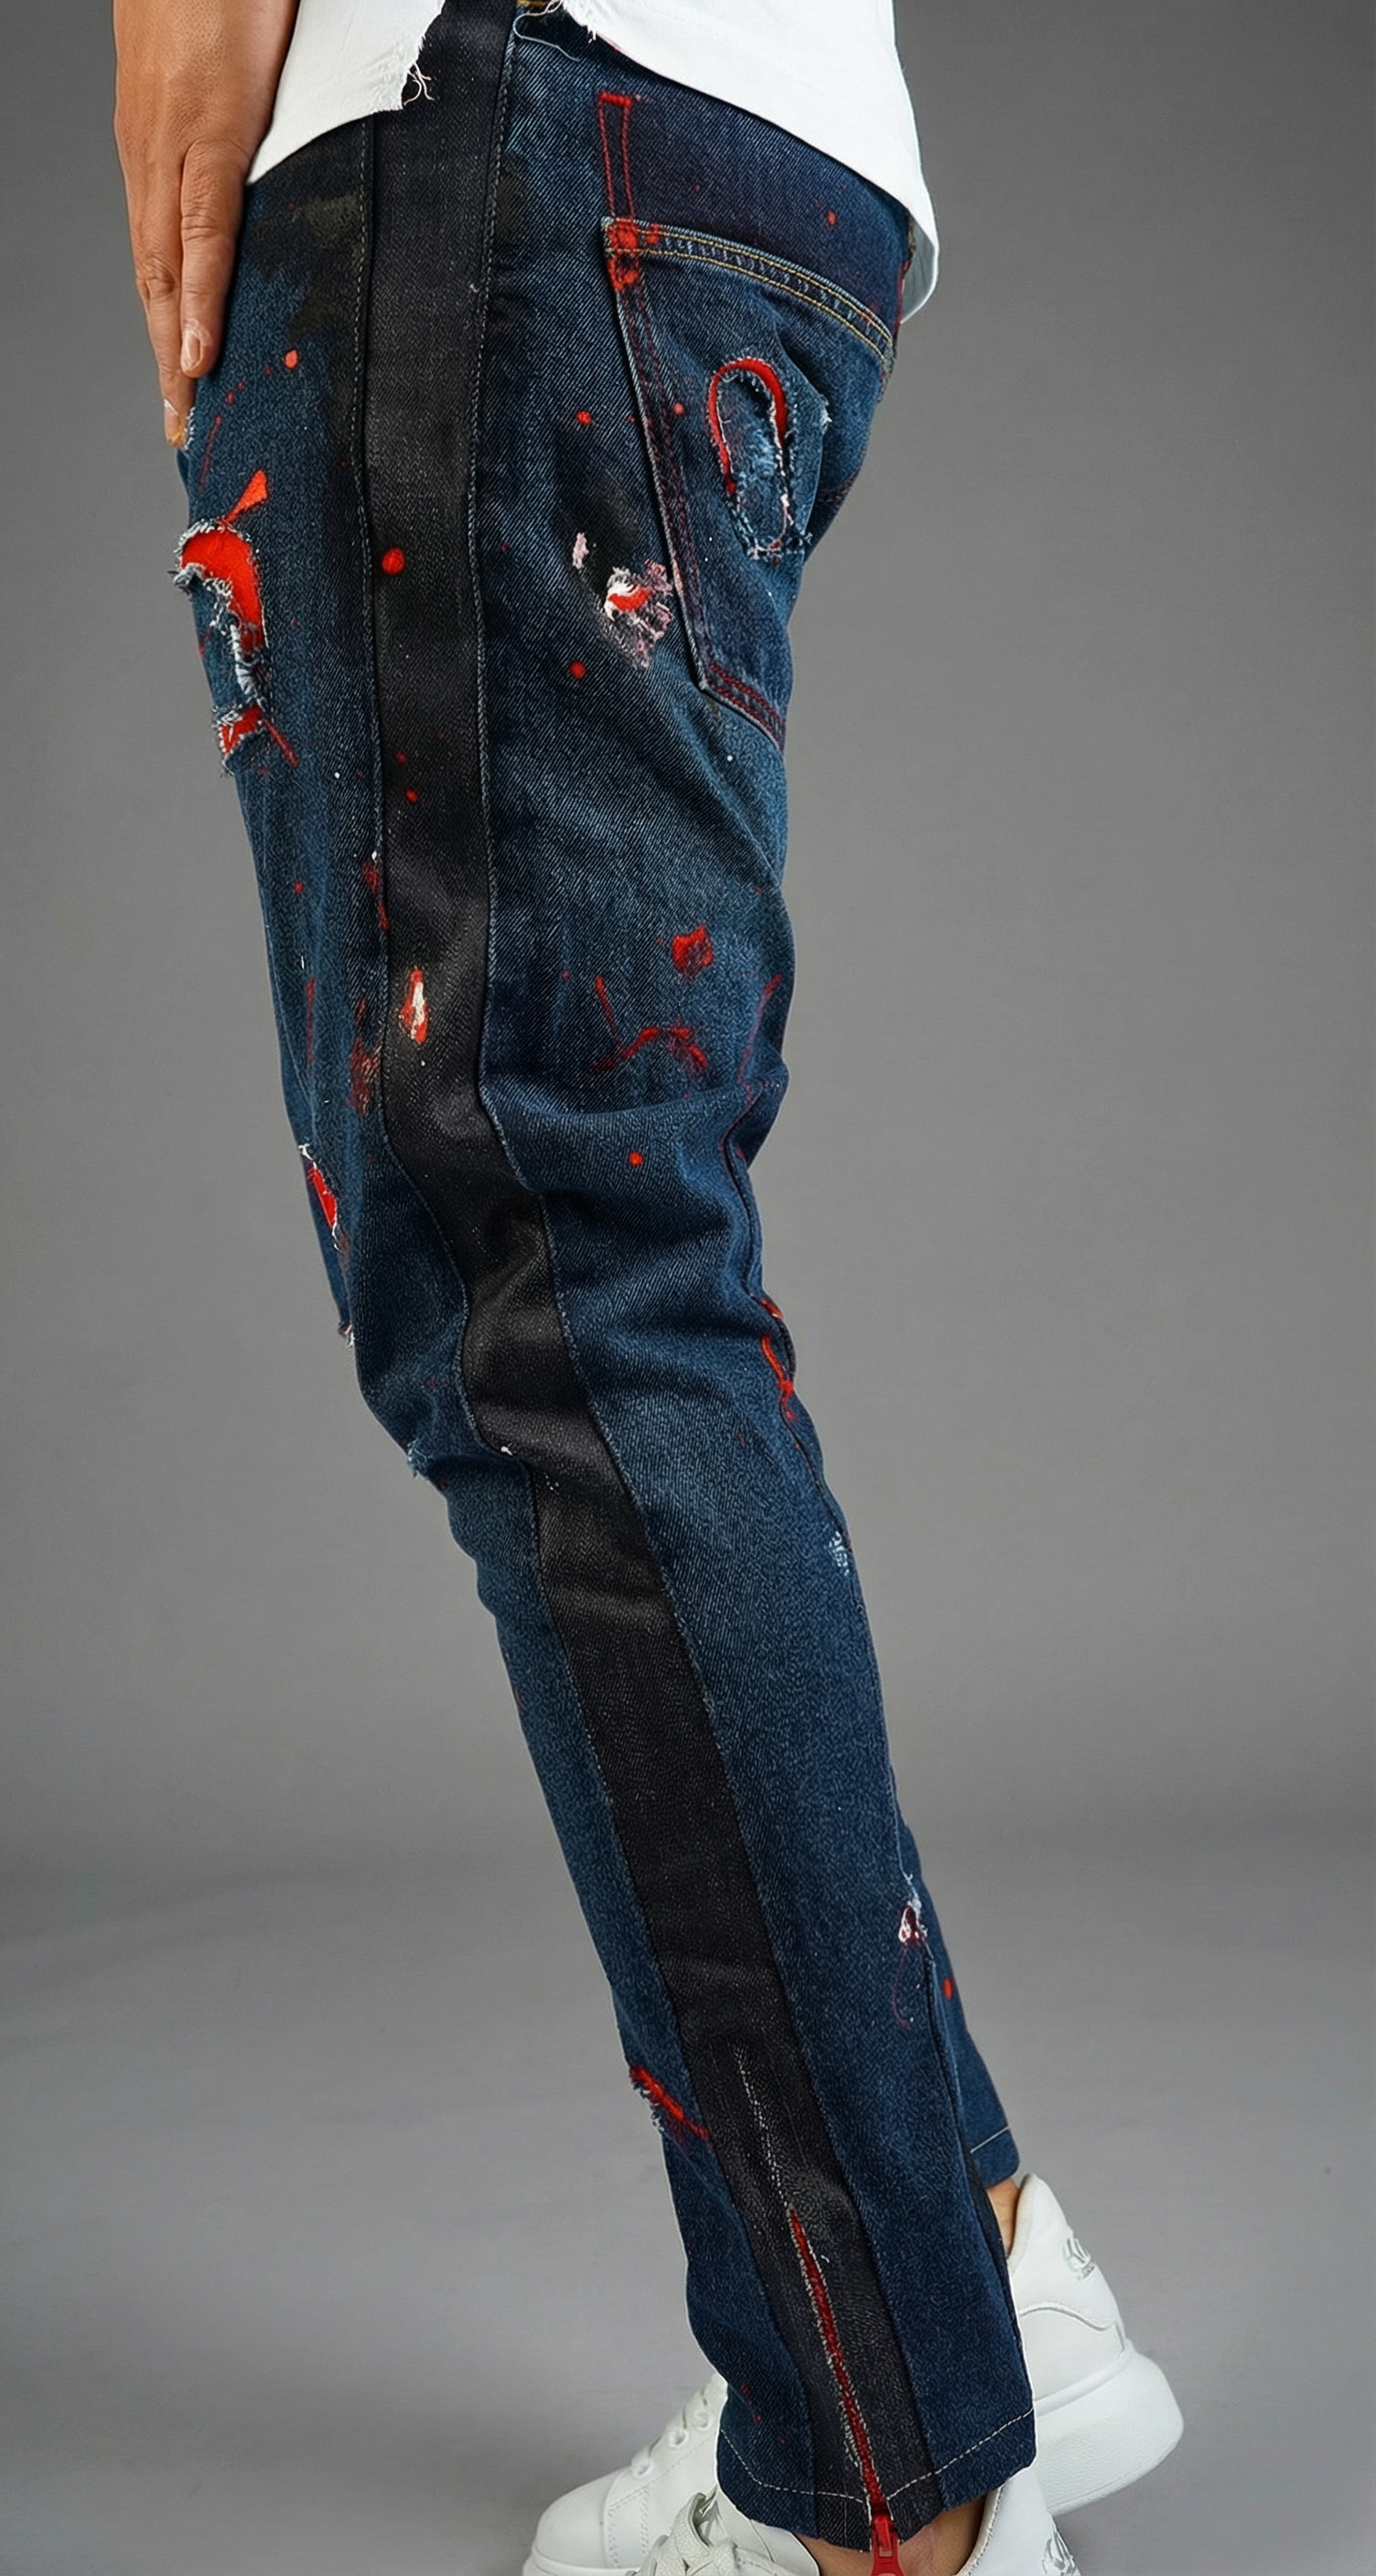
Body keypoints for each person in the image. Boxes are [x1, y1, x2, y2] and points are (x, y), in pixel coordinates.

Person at [112, 6, 1182, 2573]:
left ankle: (887, 2502)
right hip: (741, 165)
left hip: (482, 106)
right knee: (594, 1268)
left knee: (564, 1298)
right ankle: (970, 2285)